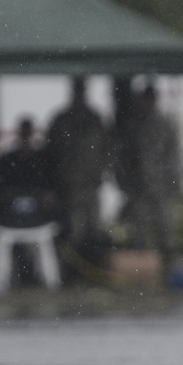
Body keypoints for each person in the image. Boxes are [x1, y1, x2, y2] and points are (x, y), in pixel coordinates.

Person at [46, 77, 111, 258]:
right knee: (74, 230)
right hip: (69, 186)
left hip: (91, 184)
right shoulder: (61, 121)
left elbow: (106, 150)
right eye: (77, 90)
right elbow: (51, 154)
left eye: (82, 90)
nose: (79, 95)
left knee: (95, 228)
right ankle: (73, 272)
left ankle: (95, 267)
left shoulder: (95, 119)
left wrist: (99, 173)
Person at [125, 85, 180, 258]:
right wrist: (127, 183)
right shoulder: (134, 125)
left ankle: (167, 267)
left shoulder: (166, 124)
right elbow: (125, 158)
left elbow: (174, 155)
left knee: (165, 228)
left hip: (161, 187)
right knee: (139, 230)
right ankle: (142, 269)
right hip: (140, 187)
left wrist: (173, 182)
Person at [0, 117, 56, 229]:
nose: (25, 136)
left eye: (27, 133)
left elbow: (49, 188)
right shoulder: (7, 160)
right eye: (24, 132)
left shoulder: (42, 160)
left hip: (38, 213)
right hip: (10, 213)